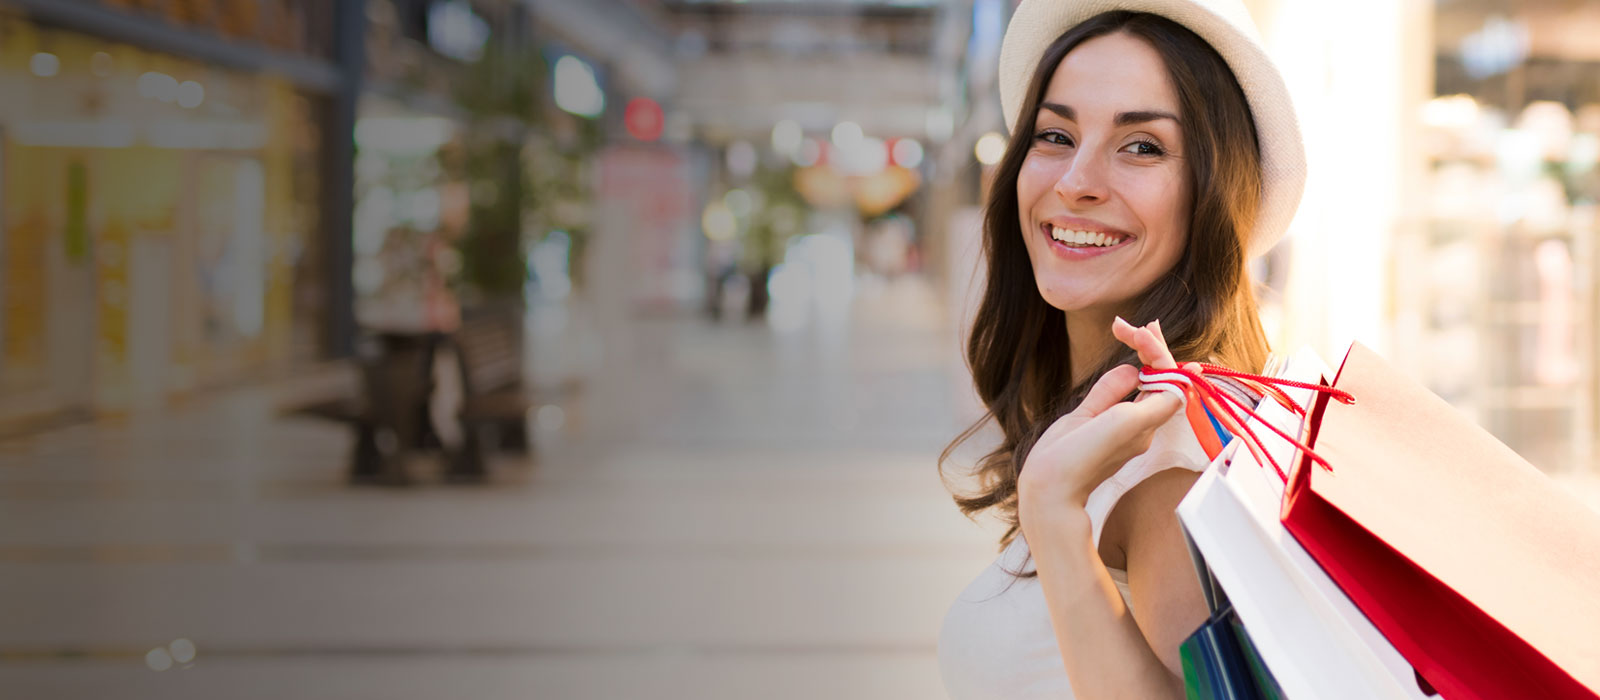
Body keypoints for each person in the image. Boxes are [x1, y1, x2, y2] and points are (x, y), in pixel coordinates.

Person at [937, 1, 1306, 698]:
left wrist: (1055, 516)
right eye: (1055, 135)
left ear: (1212, 191)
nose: (1075, 182)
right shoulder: (1108, 431)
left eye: (1141, 146)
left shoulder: (1172, 473)